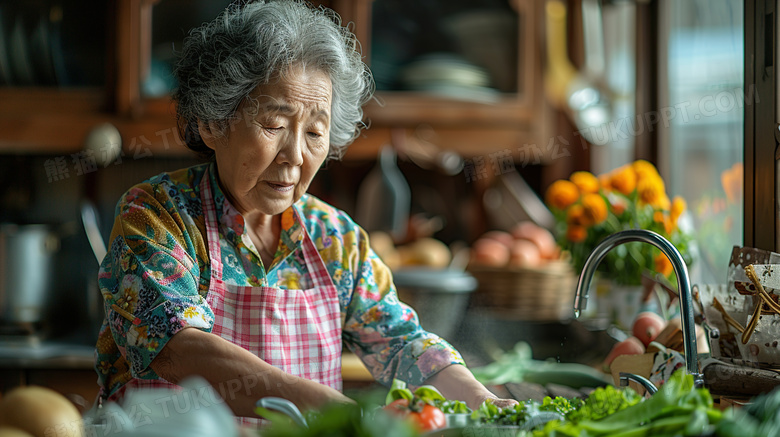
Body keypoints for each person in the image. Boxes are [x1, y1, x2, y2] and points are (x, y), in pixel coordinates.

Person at [93, 0, 517, 424]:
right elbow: (176, 350)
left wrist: (483, 402)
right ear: (212, 124)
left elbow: (401, 342)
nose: (294, 156)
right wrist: (331, 409)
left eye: (315, 132)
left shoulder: (335, 239)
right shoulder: (156, 215)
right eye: (274, 126)